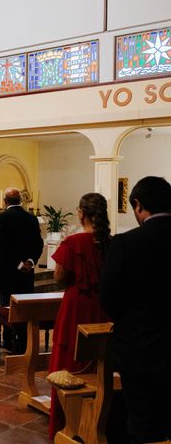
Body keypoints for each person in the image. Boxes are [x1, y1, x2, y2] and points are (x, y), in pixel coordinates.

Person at [99, 176, 171, 443]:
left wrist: (130, 321)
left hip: (142, 348)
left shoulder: (126, 243)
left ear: (139, 204)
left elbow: (108, 296)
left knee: (144, 425)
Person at [48, 193, 110, 439]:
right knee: (99, 364)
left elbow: (59, 277)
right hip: (102, 307)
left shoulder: (73, 243)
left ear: (81, 213)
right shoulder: (110, 242)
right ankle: (95, 422)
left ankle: (68, 423)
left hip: (76, 306)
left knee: (69, 360)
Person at [0, 187, 43, 352]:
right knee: (24, 308)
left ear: (5, 201)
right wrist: (29, 262)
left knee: (7, 306)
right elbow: (38, 244)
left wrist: (18, 264)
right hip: (26, 275)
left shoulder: (1, 218)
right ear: (21, 201)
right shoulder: (32, 219)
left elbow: (1, 247)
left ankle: (8, 340)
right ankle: (23, 340)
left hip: (7, 273)